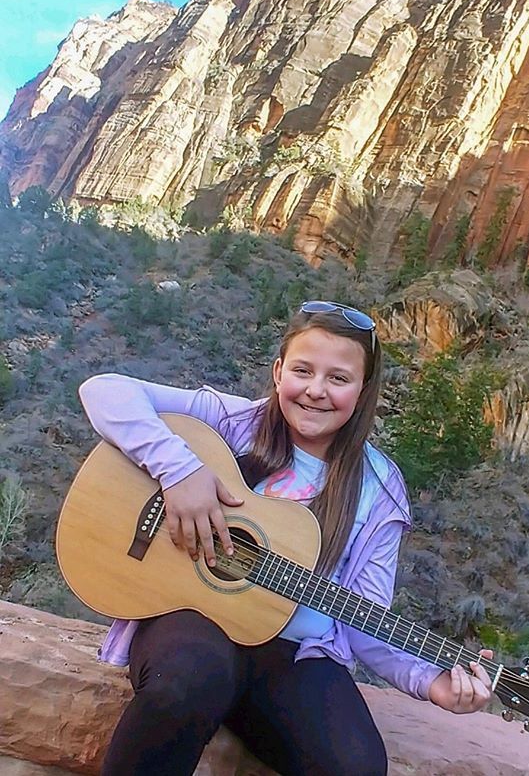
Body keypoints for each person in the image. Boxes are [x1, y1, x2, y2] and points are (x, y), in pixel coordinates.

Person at [78, 300, 493, 776]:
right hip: (193, 622)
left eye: (338, 378)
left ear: (363, 390)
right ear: (278, 372)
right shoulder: (232, 422)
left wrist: (432, 681)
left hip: (293, 657)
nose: (316, 391)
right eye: (302, 370)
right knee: (184, 685)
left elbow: (364, 618)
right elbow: (104, 390)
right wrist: (180, 471)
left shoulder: (379, 489)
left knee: (355, 766)